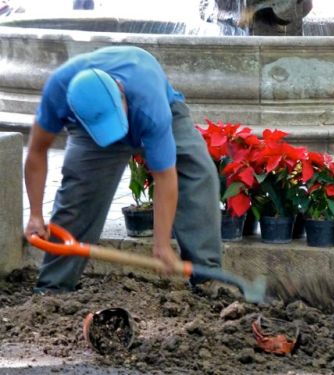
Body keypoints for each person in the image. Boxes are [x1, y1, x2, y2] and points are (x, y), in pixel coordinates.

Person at [24, 46, 222, 294]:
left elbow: (165, 176)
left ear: (120, 92)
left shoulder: (149, 103)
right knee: (79, 195)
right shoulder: (58, 91)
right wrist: (34, 214)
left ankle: (208, 280)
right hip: (90, 131)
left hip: (153, 108)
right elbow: (36, 152)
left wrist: (161, 244)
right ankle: (53, 288)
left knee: (197, 172)